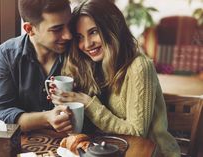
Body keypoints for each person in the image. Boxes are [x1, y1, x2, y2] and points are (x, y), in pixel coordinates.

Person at [49, 0, 180, 156]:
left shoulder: (139, 67)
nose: (87, 44)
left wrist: (87, 103)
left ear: (112, 28)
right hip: (110, 150)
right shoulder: (94, 64)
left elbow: (137, 133)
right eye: (79, 37)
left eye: (93, 32)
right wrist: (67, 104)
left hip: (151, 152)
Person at [0, 0, 73, 133]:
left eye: (70, 24)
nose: (68, 35)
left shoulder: (79, 49)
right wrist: (46, 118)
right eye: (57, 29)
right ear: (29, 29)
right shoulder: (7, 54)